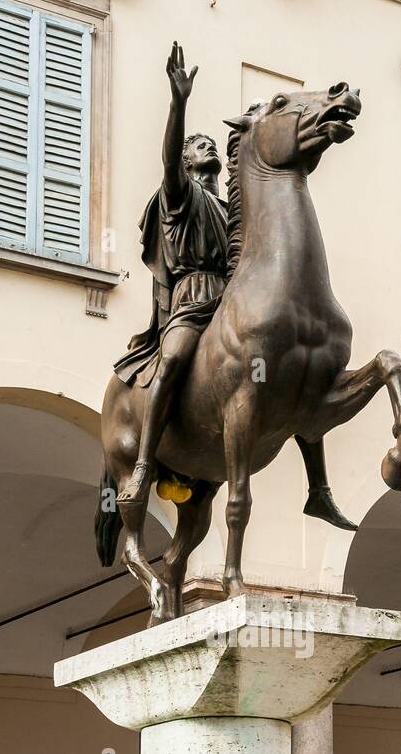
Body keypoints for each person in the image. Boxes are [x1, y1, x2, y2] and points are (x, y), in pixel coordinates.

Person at [114, 43, 354, 529]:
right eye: (196, 146)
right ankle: (143, 461)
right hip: (193, 301)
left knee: (299, 363)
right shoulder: (179, 197)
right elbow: (166, 159)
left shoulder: (232, 210)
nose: (205, 148)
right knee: (177, 356)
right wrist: (179, 104)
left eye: (209, 144)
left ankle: (319, 488)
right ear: (185, 162)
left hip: (232, 301)